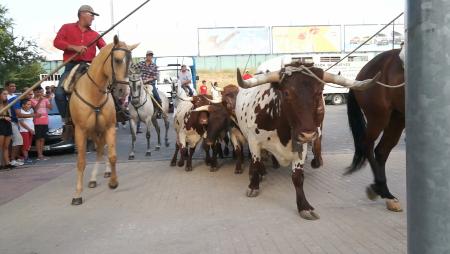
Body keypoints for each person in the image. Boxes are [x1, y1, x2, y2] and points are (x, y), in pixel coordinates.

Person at [53, 5, 106, 137]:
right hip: (71, 66)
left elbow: (104, 50)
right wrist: (74, 48)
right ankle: (67, 121)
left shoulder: (95, 34)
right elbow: (57, 42)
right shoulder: (67, 27)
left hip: (90, 67)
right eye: (91, 15)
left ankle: (118, 112)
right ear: (82, 14)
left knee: (108, 89)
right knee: (59, 94)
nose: (93, 18)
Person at [5, 81, 24, 167]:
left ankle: (13, 159)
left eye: (14, 86)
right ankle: (11, 160)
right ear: (6, 87)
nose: (13, 88)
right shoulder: (5, 98)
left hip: (15, 121)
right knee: (17, 140)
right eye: (11, 86)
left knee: (15, 141)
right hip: (8, 121)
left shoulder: (16, 97)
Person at [31, 86, 52, 161]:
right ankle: (39, 155)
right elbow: (35, 109)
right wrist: (40, 101)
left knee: (42, 139)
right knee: (38, 138)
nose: (39, 93)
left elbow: (50, 108)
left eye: (40, 92)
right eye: (37, 92)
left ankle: (41, 154)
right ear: (34, 92)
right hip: (37, 121)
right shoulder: (31, 100)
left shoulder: (45, 99)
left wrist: (49, 99)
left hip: (45, 121)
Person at [0, 89, 14, 170]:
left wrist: (7, 117)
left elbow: (10, 115)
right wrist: (3, 117)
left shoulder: (8, 104)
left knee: (6, 146)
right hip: (1, 125)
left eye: (7, 94)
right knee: (0, 146)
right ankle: (0, 164)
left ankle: (7, 163)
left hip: (7, 125)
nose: (6, 95)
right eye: (4, 94)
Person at [18, 99, 34, 164]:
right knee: (25, 145)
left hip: (30, 131)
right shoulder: (20, 112)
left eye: (30, 104)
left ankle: (26, 158)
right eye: (28, 104)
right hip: (24, 131)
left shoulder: (30, 111)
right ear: (23, 105)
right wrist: (29, 129)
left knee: (28, 145)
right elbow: (21, 122)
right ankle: (26, 158)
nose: (30, 105)